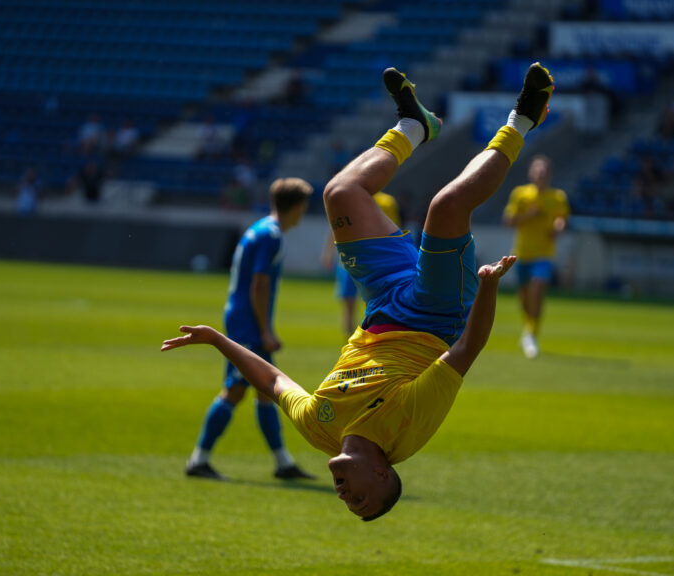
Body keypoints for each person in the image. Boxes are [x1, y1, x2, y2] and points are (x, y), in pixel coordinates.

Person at [163, 63, 554, 519]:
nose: (345, 497)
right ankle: (523, 120)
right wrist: (487, 289)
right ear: (384, 475)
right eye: (361, 499)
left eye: (347, 504)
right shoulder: (404, 432)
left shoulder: (318, 428)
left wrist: (217, 340)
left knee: (340, 192)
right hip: (434, 313)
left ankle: (414, 125)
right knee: (446, 207)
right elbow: (467, 349)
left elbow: (271, 381)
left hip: (382, 302)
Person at [184, 177, 316, 481]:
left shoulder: (259, 228)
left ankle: (283, 463)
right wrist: (266, 331)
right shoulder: (271, 237)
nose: (302, 213)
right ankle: (198, 460)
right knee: (236, 390)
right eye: (303, 207)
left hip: (241, 318)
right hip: (247, 325)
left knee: (266, 391)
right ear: (295, 206)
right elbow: (259, 284)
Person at [502, 154, 569, 359]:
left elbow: (562, 218)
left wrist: (558, 228)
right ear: (531, 173)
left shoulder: (557, 197)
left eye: (544, 170)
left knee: (537, 289)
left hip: (543, 254)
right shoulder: (520, 194)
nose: (540, 173)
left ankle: (531, 334)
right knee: (524, 296)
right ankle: (528, 327)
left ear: (549, 174)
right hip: (522, 253)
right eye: (537, 170)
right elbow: (508, 221)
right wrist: (529, 215)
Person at [322, 191, 402, 336]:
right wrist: (328, 252)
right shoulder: (347, 199)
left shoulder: (386, 201)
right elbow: (335, 227)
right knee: (349, 303)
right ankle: (349, 339)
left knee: (375, 302)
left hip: (376, 261)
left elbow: (394, 231)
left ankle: (372, 334)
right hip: (349, 261)